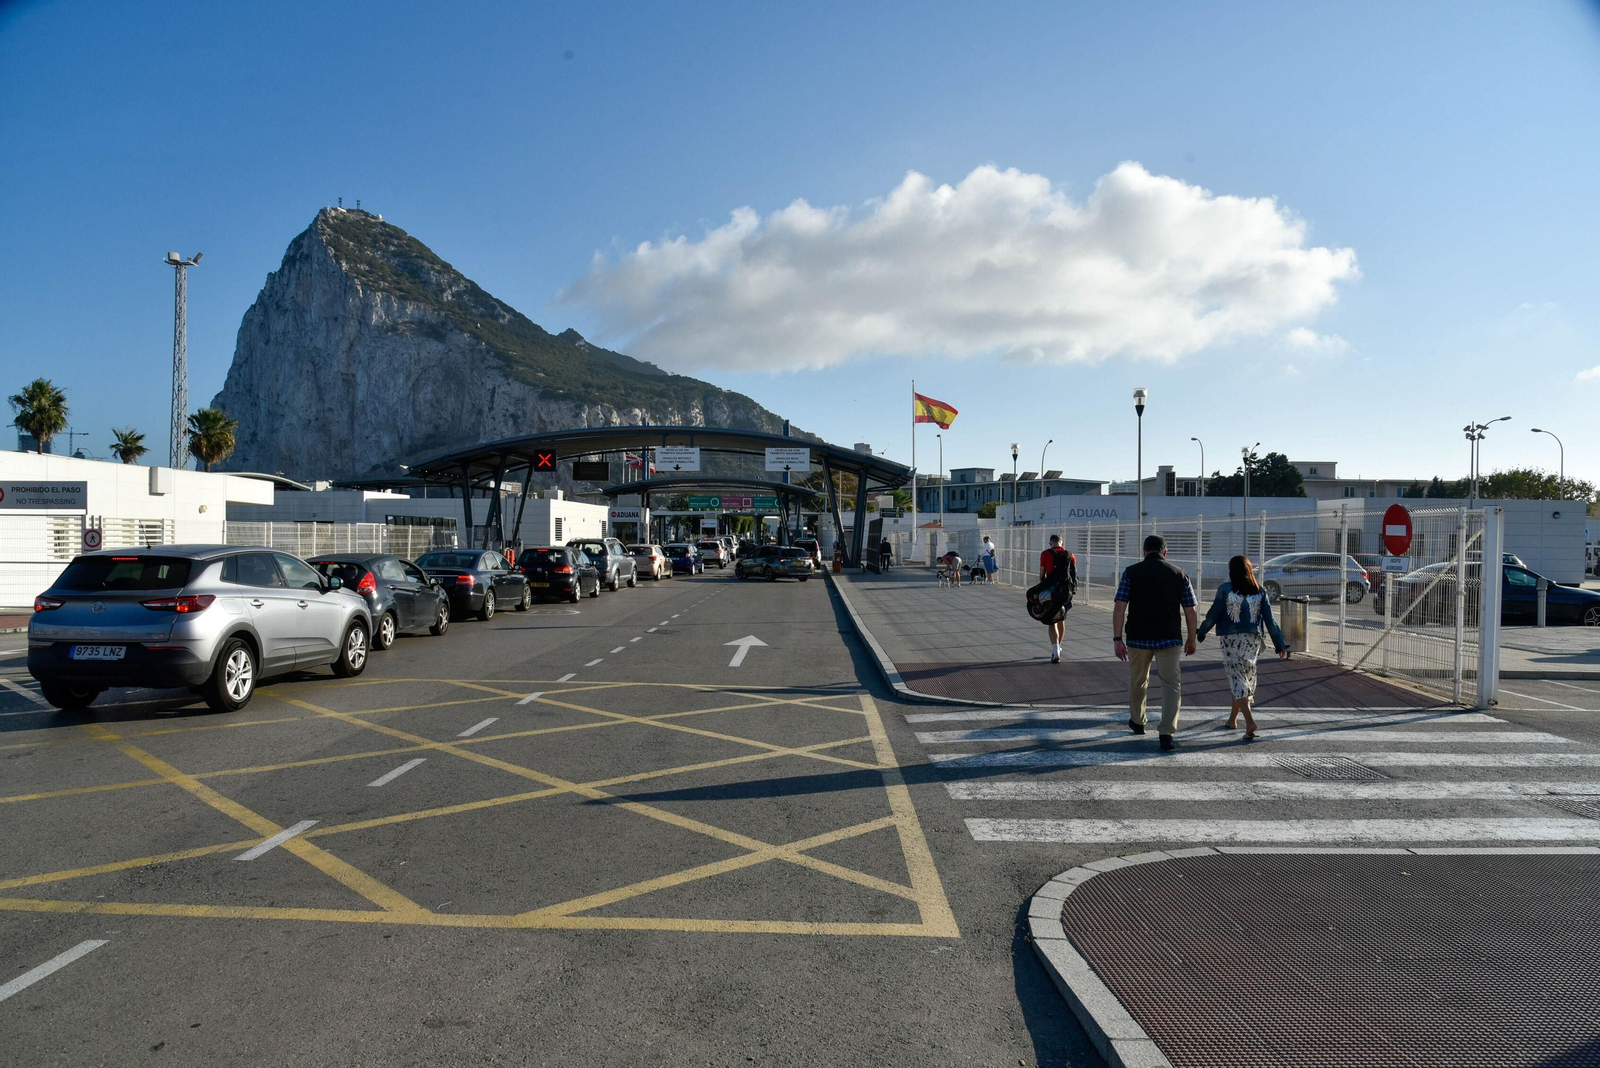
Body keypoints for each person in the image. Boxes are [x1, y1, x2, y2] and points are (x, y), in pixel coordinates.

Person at [1112, 534, 1198, 751]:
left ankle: (1138, 721)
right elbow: (1190, 609)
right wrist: (1191, 638)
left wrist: (1117, 638)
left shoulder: (1131, 572)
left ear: (1144, 551)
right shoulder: (1180, 574)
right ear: (1165, 552)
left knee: (1138, 680)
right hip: (1169, 637)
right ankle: (1167, 732)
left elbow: (1120, 607)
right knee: (1171, 684)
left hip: (1137, 637)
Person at [1196, 555, 1289, 740]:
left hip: (1231, 640)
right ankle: (1232, 720)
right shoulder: (1260, 591)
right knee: (1243, 678)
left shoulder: (1225, 589)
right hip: (1252, 640)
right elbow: (1270, 620)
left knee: (1236, 679)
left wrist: (1202, 631)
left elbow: (1214, 613)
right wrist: (1279, 644)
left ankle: (1250, 721)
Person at [1038, 534, 1078, 662]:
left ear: (1051, 544)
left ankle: (1055, 650)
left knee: (1052, 620)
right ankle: (1059, 646)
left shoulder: (1046, 554)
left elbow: (1041, 575)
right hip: (1066, 592)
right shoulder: (1070, 555)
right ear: (1062, 543)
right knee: (1062, 618)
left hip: (1051, 591)